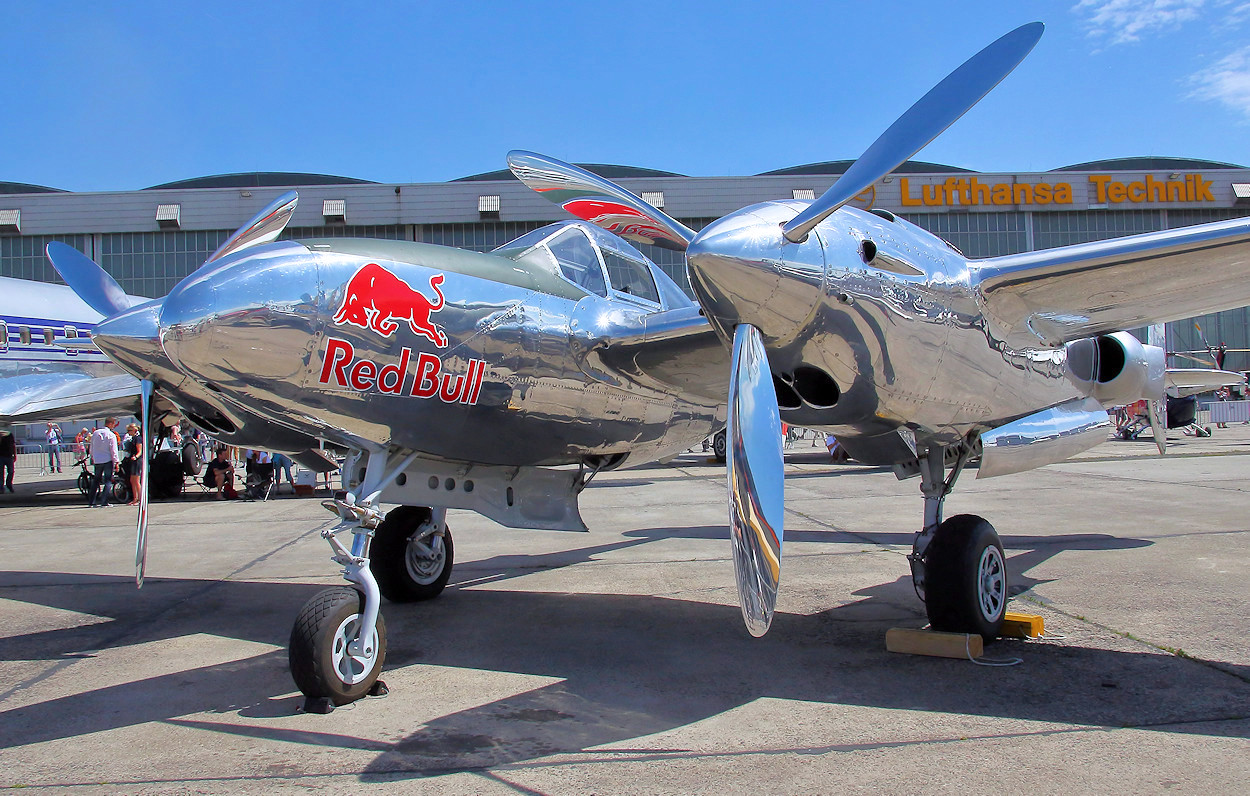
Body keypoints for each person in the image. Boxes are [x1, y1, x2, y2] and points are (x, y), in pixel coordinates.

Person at [88, 418, 121, 508]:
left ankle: (92, 501)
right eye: (113, 424)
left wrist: (92, 457)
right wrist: (116, 462)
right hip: (107, 460)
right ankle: (104, 501)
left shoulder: (95, 433)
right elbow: (113, 450)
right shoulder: (111, 435)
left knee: (96, 480)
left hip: (98, 460)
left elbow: (92, 446)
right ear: (110, 424)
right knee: (107, 481)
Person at [123, 427, 143, 505]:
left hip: (137, 461)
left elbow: (140, 451)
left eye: (130, 430)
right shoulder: (132, 438)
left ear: (135, 430)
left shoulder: (138, 439)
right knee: (132, 480)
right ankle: (135, 498)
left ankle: (140, 498)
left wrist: (136, 456)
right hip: (133, 460)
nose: (128, 432)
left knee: (136, 480)